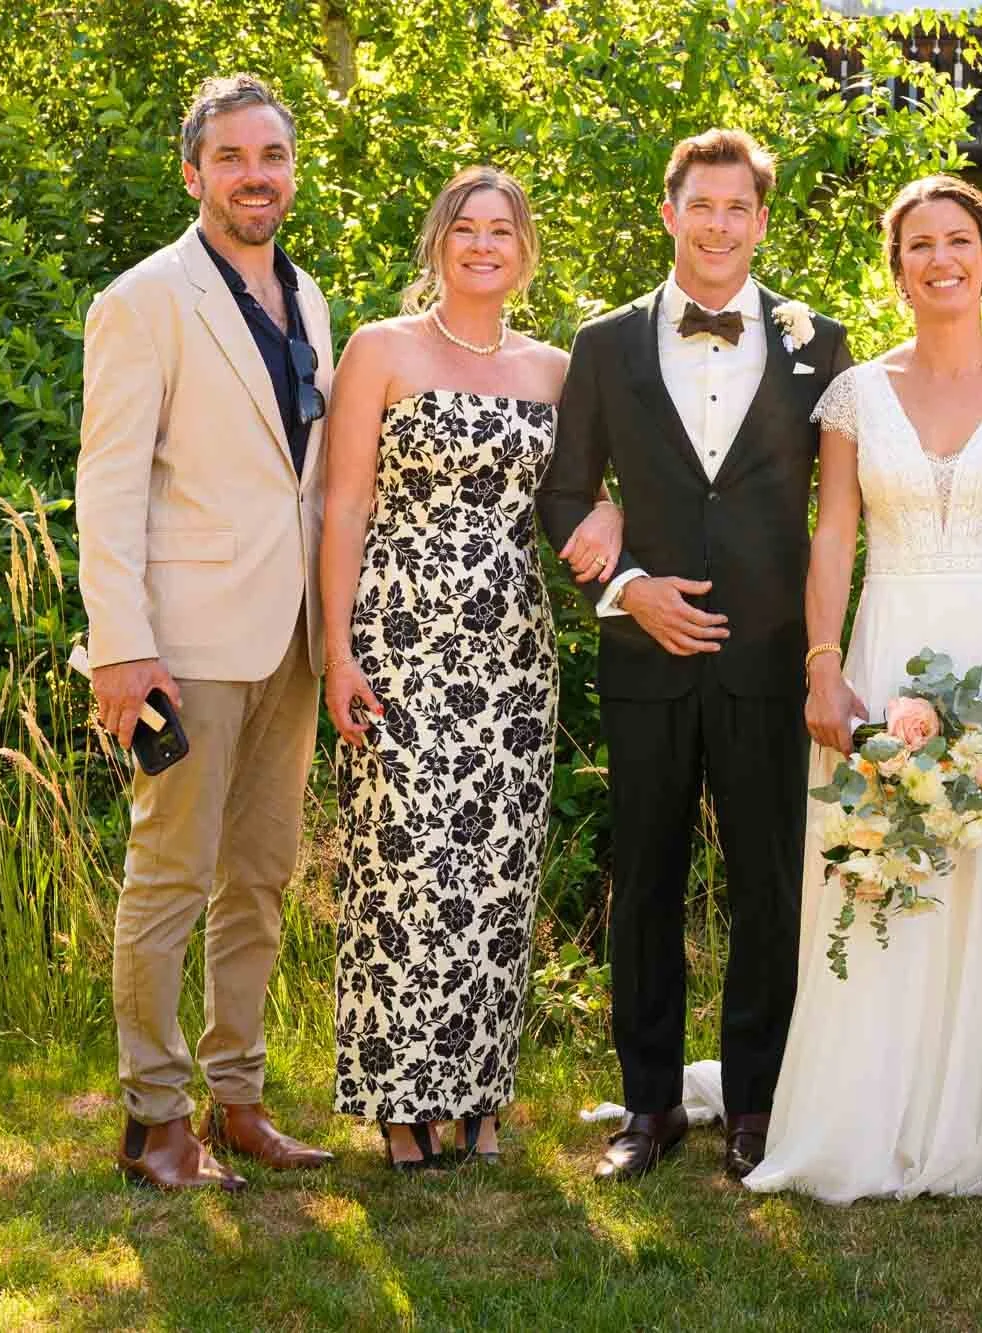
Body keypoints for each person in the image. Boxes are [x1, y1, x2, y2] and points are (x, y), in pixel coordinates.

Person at [742, 175, 982, 1204]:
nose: (938, 259)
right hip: (881, 645)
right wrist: (822, 663)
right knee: (871, 875)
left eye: (957, 241)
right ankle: (855, 1115)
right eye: (916, 246)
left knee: (981, 878)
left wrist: (971, 553)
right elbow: (834, 534)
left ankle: (962, 1123)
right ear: (896, 272)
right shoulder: (854, 393)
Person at [537, 129, 855, 1183]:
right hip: (646, 659)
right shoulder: (604, 344)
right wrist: (629, 590)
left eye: (738, 208)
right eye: (700, 205)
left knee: (770, 887)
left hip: (768, 659)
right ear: (667, 211)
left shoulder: (821, 344)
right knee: (646, 889)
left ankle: (758, 1106)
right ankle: (649, 1106)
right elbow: (565, 495)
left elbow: (842, 509)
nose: (719, 225)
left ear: (761, 222)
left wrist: (823, 648)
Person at [318, 168, 623, 1169]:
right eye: (465, 228)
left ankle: (481, 1094)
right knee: (400, 861)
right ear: (437, 241)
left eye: (502, 230)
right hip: (399, 630)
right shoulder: (379, 349)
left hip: (510, 645)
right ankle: (399, 1098)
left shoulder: (554, 368)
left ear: (524, 250)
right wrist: (336, 651)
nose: (482, 245)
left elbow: (577, 492)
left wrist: (610, 511)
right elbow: (345, 506)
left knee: (495, 866)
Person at [77, 73, 335, 1190]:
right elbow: (109, 482)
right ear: (193, 174)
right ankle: (153, 1120)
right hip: (181, 643)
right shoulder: (141, 299)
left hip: (291, 641)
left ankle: (237, 1100)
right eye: (230, 158)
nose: (254, 177)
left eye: (270, 156)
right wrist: (123, 643)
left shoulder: (309, 298)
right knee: (170, 876)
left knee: (262, 876)